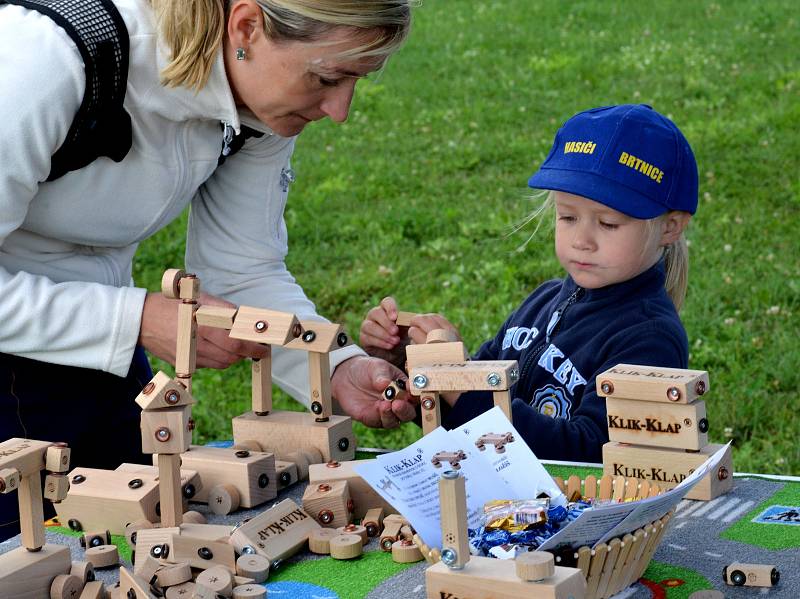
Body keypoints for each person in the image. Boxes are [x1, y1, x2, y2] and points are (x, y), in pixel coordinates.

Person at [0, 0, 418, 542]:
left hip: (95, 351)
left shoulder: (257, 103)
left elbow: (240, 268)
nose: (339, 110)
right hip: (51, 350)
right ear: (246, 26)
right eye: (328, 77)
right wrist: (137, 319)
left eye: (356, 81)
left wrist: (333, 366)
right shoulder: (45, 61)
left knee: (132, 542)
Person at [360, 104, 699, 462]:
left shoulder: (650, 339)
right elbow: (470, 416)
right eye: (568, 216)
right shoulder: (543, 301)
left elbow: (591, 455)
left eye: (608, 223)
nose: (582, 239)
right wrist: (413, 367)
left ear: (669, 226)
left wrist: (461, 384)